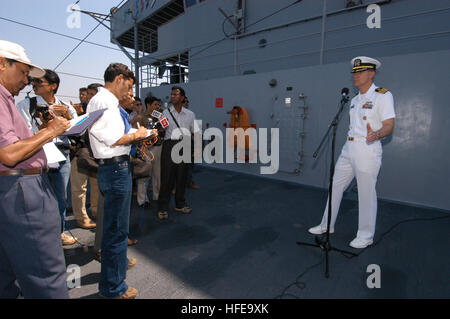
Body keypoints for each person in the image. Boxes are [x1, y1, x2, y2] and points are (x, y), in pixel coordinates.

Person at [0, 40, 70, 298]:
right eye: (23, 72)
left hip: (12, 191)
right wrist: (51, 131)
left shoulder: (6, 99)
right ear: (1, 63)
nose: (26, 80)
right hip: (22, 192)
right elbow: (8, 153)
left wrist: (42, 134)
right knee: (46, 277)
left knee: (7, 275)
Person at [308, 56, 395, 249]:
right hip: (348, 148)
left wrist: (378, 134)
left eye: (360, 72)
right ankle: (326, 225)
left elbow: (389, 125)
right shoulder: (354, 100)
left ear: (371, 74)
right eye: (354, 72)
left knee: (366, 193)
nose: (355, 75)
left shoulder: (382, 96)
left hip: (368, 149)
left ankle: (365, 235)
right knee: (335, 187)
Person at [87, 62, 154, 299]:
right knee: (116, 231)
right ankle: (113, 288)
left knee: (115, 228)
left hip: (115, 168)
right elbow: (115, 139)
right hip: (115, 168)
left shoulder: (105, 101)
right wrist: (139, 135)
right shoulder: (104, 101)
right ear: (118, 78)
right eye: (129, 85)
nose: (129, 92)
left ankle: (117, 267)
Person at [17, 69, 78, 246]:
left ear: (53, 86)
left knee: (61, 197)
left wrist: (66, 116)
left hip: (62, 154)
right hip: (38, 154)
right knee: (38, 197)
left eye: (39, 82)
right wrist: (45, 127)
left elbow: (76, 129)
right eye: (33, 82)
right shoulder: (26, 105)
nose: (34, 85)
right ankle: (39, 235)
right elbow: (24, 133)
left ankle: (58, 232)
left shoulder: (66, 106)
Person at [157, 86, 196, 220]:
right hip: (170, 145)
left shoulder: (190, 114)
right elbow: (162, 130)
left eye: (176, 94)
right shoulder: (165, 113)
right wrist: (160, 129)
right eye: (172, 94)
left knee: (182, 177)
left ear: (183, 98)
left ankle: (180, 204)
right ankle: (162, 208)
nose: (172, 96)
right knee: (167, 177)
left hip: (184, 144)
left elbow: (194, 132)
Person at [69, 83, 103, 229]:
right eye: (87, 94)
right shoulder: (76, 111)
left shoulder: (103, 112)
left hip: (96, 154)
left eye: (91, 94)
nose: (88, 97)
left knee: (96, 185)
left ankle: (95, 211)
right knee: (79, 188)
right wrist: (76, 115)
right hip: (79, 153)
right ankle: (81, 217)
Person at [131, 95, 164, 205]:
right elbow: (135, 134)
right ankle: (143, 200)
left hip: (158, 147)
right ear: (148, 105)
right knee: (144, 175)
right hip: (145, 149)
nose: (157, 106)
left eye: (158, 104)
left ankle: (157, 195)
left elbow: (166, 125)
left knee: (157, 174)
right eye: (155, 104)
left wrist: (161, 114)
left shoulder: (158, 115)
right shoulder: (141, 117)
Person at [182, 96, 200, 190]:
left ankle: (189, 182)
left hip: (189, 143)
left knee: (189, 165)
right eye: (185, 102)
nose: (187, 103)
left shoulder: (190, 115)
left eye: (188, 102)